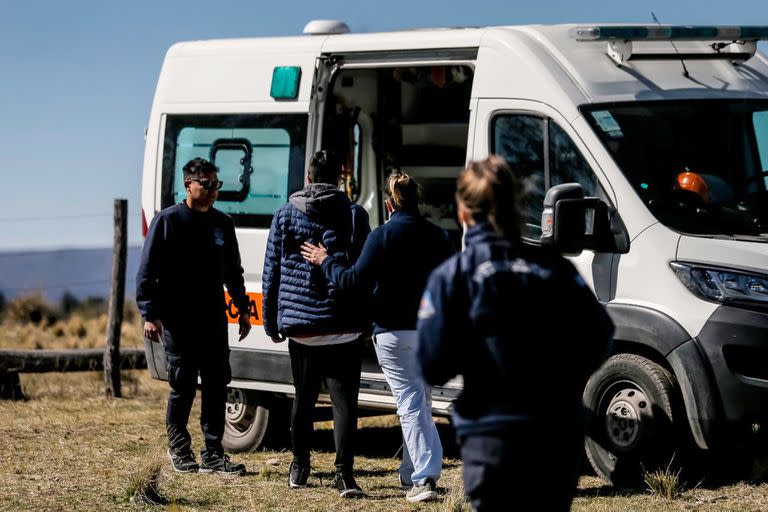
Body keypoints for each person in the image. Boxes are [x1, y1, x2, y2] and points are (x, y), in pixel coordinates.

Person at [416, 155, 614, 511]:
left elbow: (432, 365)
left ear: (463, 212)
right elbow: (600, 334)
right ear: (515, 205)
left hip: (492, 439)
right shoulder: (555, 267)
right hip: (556, 437)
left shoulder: (453, 276)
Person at [301, 171, 455, 503]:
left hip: (392, 332)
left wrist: (325, 261)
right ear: (417, 200)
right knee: (421, 401)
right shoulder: (440, 237)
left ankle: (424, 480)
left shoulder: (382, 236)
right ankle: (410, 474)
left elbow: (352, 280)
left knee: (411, 404)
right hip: (430, 332)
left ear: (388, 203)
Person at [262, 149, 371, 498]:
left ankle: (300, 466)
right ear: (339, 177)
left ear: (308, 177)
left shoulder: (284, 215)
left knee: (304, 400)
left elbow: (271, 273)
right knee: (344, 405)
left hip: (303, 329)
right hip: (344, 325)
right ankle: (344, 475)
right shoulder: (354, 215)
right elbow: (364, 273)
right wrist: (367, 320)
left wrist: (272, 321)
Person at [136, 157, 252, 475]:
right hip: (178, 319)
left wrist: (242, 309)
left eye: (217, 185)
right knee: (183, 386)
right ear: (189, 184)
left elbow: (234, 271)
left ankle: (214, 453)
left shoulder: (222, 223)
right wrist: (150, 313)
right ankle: (179, 449)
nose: (214, 190)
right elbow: (147, 271)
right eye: (208, 184)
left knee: (217, 384)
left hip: (213, 317)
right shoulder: (167, 221)